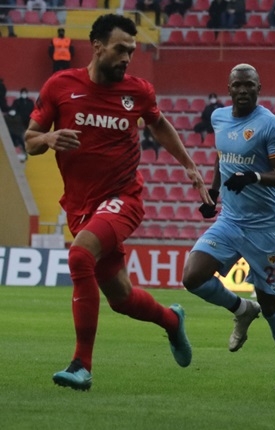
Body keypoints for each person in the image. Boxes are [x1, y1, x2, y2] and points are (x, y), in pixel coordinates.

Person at [24, 14, 211, 391]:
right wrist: (48, 139)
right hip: (81, 207)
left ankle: (81, 365)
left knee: (78, 257)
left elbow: (158, 125)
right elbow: (29, 139)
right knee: (122, 299)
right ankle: (172, 322)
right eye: (121, 49)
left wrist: (190, 166)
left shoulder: (138, 91)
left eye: (132, 50)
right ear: (97, 46)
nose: (127, 57)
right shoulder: (60, 86)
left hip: (123, 199)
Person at [182, 63, 275, 391]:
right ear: (229, 88)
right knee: (192, 276)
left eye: (250, 85)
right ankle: (241, 309)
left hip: (265, 228)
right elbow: (222, 158)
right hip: (230, 221)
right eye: (238, 85)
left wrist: (255, 177)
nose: (244, 90)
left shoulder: (270, 125)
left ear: (259, 87)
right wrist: (214, 194)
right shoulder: (218, 118)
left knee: (272, 306)